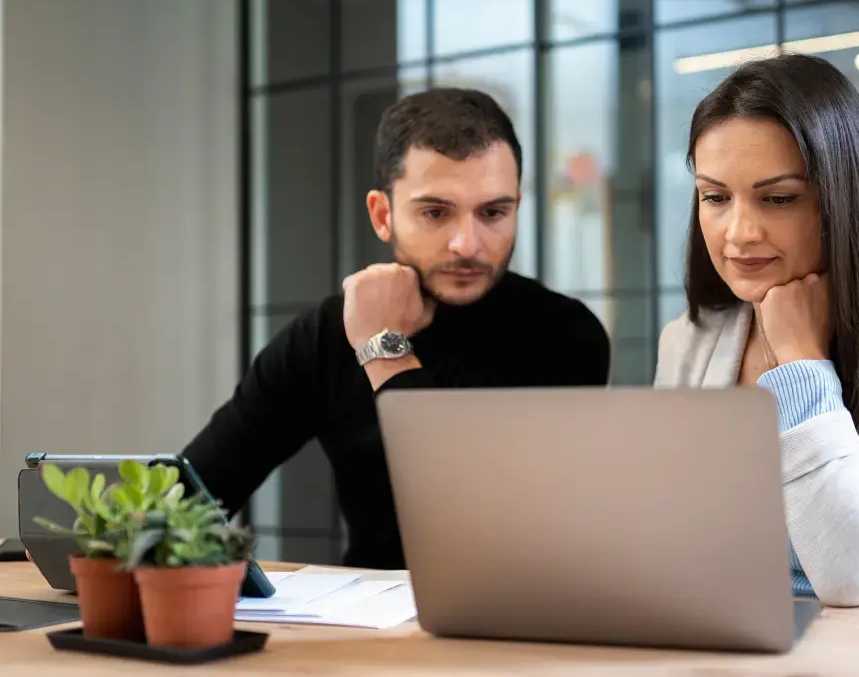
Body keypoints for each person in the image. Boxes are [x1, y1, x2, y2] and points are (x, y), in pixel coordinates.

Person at [183, 88, 611, 570]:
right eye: (435, 212)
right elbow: (193, 492)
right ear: (382, 215)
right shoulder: (326, 334)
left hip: (511, 626)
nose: (467, 243)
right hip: (369, 629)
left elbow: (468, 524)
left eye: (493, 213)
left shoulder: (564, 334)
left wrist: (383, 350)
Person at [653, 54, 859, 609]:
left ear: (840, 199)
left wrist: (800, 363)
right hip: (733, 646)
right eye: (715, 197)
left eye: (779, 198)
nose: (738, 232)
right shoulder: (690, 339)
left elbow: (856, 573)